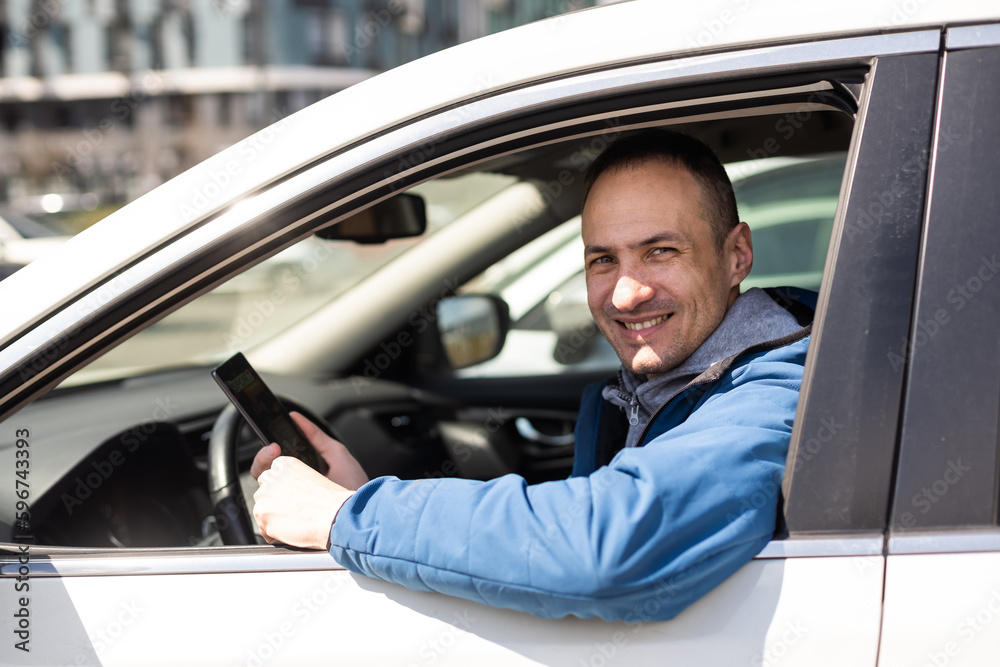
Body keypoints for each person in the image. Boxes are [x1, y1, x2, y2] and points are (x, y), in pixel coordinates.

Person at [251, 129, 812, 622]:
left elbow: (603, 549)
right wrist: (356, 495)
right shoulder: (648, 392)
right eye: (603, 260)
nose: (626, 292)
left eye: (661, 251)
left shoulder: (775, 391)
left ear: (737, 255)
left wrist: (348, 517)